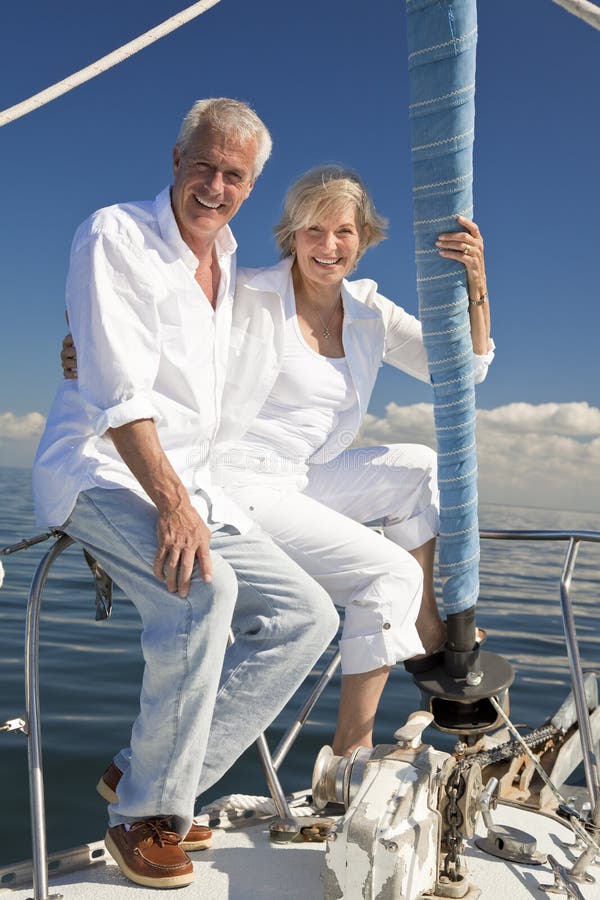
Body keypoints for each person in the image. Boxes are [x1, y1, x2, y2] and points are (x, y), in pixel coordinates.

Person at [61, 164, 493, 761]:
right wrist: (83, 341)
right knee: (389, 573)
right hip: (235, 477)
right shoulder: (247, 290)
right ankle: (349, 755)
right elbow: (149, 314)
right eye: (313, 230)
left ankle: (424, 626)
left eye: (344, 231)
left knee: (419, 466)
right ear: (292, 235)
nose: (329, 245)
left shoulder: (370, 312)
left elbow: (463, 372)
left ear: (364, 239)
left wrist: (475, 280)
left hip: (301, 476)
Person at [33, 99, 339, 890]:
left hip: (193, 484)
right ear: (175, 158)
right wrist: (171, 502)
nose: (214, 185)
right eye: (203, 165)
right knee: (205, 591)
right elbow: (115, 383)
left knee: (310, 617)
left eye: (233, 175)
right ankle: (142, 813)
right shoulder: (116, 234)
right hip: (100, 469)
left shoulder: (234, 260)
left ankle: (155, 774)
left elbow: (317, 283)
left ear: (251, 186)